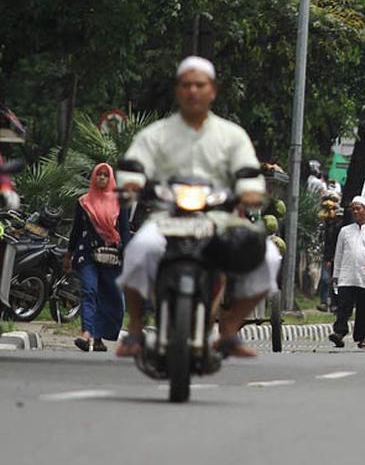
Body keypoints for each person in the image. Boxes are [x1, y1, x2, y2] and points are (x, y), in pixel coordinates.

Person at [116, 56, 279, 359]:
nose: (193, 91)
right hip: (167, 216)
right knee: (139, 250)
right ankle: (135, 329)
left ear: (212, 91)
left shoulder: (232, 135)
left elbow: (247, 170)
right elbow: (135, 163)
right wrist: (131, 183)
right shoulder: (156, 134)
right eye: (186, 85)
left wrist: (250, 193)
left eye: (199, 85)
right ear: (177, 91)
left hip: (220, 218)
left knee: (268, 256)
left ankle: (229, 328)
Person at [65, 163, 132, 352]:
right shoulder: (83, 202)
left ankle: (99, 337)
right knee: (89, 290)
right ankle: (86, 334)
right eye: (98, 175)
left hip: (112, 255)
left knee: (111, 297)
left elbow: (124, 230)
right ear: (93, 178)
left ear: (110, 178)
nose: (101, 178)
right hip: (87, 253)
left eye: (105, 175)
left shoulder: (120, 202)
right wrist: (69, 254)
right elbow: (76, 230)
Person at [328, 196, 365, 349]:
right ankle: (339, 333)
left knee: (364, 309)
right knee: (344, 306)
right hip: (347, 275)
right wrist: (336, 274)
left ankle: (361, 336)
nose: (356, 212)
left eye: (359, 208)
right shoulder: (345, 231)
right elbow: (338, 253)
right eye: (354, 209)